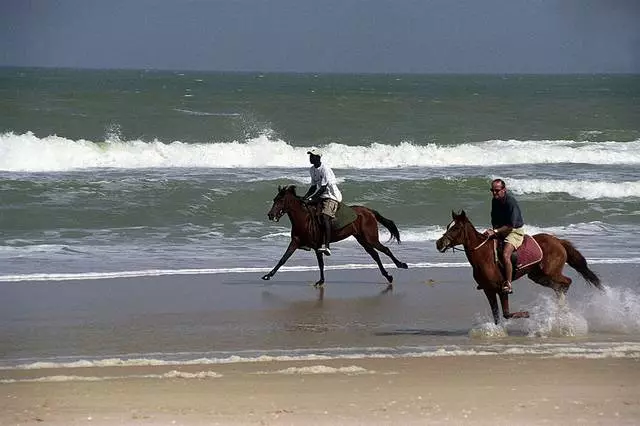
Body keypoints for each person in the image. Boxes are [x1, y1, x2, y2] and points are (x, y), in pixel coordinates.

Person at [483, 178, 525, 294]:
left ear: (504, 189)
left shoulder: (510, 202)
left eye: (497, 190)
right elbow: (494, 219)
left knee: (506, 255)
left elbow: (511, 226)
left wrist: (495, 231)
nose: (494, 193)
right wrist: (492, 231)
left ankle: (508, 283)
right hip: (501, 230)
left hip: (515, 231)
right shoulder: (494, 201)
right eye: (492, 190)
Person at [302, 148, 342, 256]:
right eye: (310, 156)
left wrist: (312, 198)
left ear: (318, 157)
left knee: (325, 217)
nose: (310, 158)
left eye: (313, 156)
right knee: (307, 211)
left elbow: (323, 188)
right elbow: (313, 187)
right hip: (322, 196)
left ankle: (327, 246)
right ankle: (307, 242)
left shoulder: (325, 169)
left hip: (331, 196)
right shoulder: (312, 169)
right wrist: (305, 197)